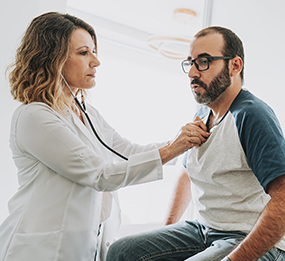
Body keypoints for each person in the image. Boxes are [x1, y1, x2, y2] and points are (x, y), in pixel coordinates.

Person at [0, 12, 195, 261]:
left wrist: (181, 143)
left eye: (94, 51)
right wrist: (173, 149)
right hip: (40, 250)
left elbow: (127, 152)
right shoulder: (34, 117)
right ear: (53, 59)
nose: (96, 62)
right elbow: (100, 174)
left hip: (85, 247)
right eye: (84, 53)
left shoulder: (86, 113)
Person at [106, 26, 285, 261]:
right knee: (121, 252)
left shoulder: (252, 115)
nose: (191, 72)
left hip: (244, 234)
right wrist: (165, 230)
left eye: (203, 61)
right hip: (202, 230)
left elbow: (282, 200)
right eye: (190, 62)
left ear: (235, 66)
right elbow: (187, 174)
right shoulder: (202, 115)